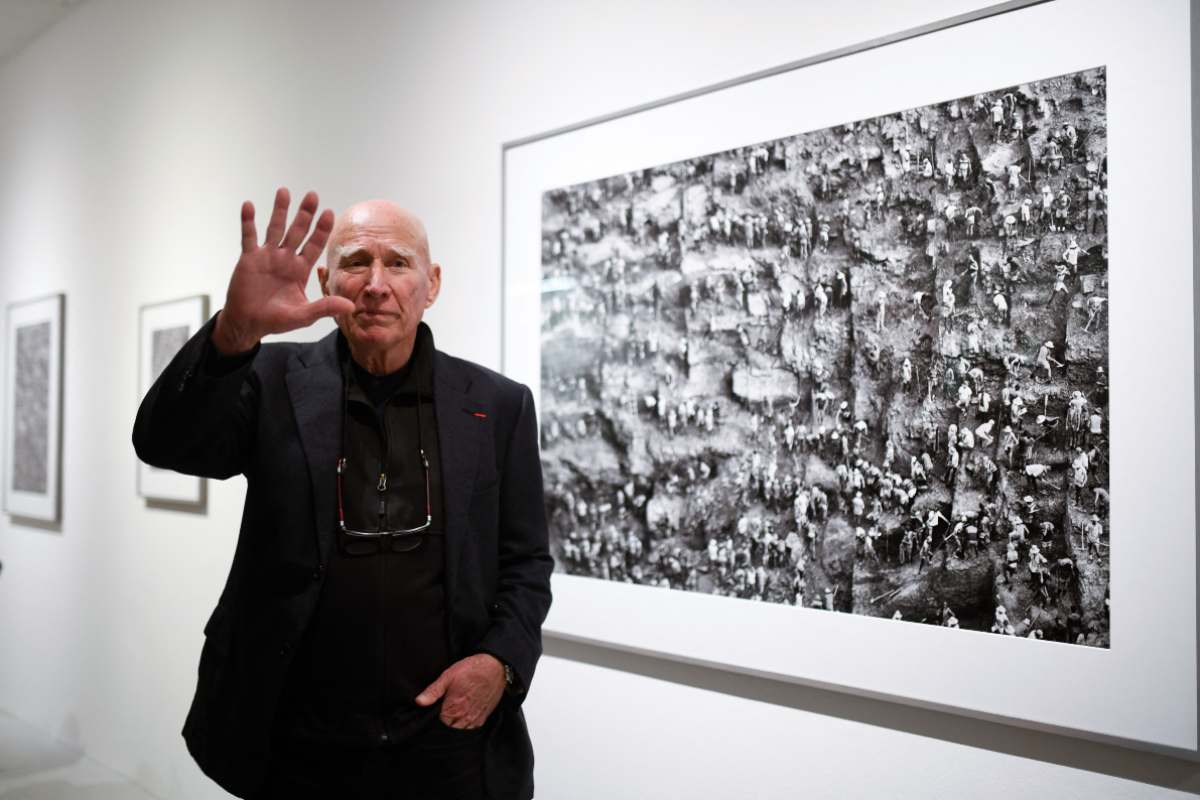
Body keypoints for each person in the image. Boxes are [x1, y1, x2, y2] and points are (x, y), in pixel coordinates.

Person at [133, 189, 554, 800]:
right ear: (325, 279)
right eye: (357, 263)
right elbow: (164, 444)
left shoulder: (497, 405)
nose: (376, 284)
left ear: (431, 283)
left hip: (445, 744)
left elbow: (526, 562)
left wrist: (501, 662)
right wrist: (234, 332)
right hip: (299, 739)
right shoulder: (270, 380)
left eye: (398, 263)